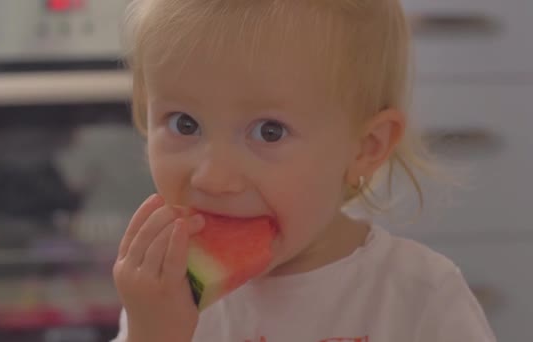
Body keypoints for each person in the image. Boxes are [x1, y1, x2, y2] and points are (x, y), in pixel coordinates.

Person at [111, 0, 496, 341]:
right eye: (184, 123)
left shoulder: (420, 296)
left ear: (366, 147)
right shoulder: (167, 295)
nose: (213, 177)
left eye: (269, 131)